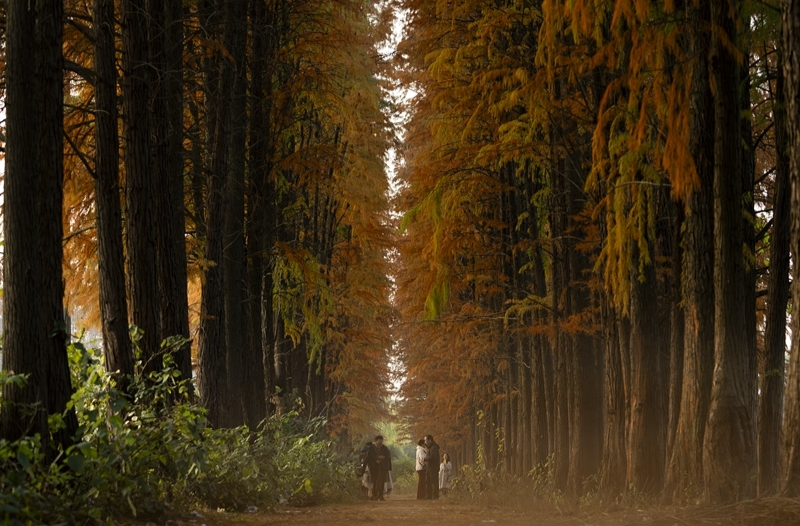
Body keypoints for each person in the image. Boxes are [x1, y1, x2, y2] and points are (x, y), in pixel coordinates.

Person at [364, 435, 392, 501]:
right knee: (374, 481)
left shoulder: (385, 448)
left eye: (381, 441)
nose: (380, 443)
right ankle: (374, 495)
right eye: (379, 441)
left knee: (382, 482)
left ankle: (380, 495)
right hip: (374, 467)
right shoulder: (371, 448)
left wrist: (382, 460)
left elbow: (387, 456)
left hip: (382, 468)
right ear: (376, 441)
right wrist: (377, 458)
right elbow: (369, 458)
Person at [424, 434, 440, 499]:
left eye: (426, 440)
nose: (425, 442)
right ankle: (429, 495)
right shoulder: (430, 448)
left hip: (433, 468)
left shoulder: (434, 448)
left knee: (434, 482)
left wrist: (425, 459)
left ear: (430, 440)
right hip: (429, 467)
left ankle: (435, 495)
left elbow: (432, 457)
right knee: (428, 481)